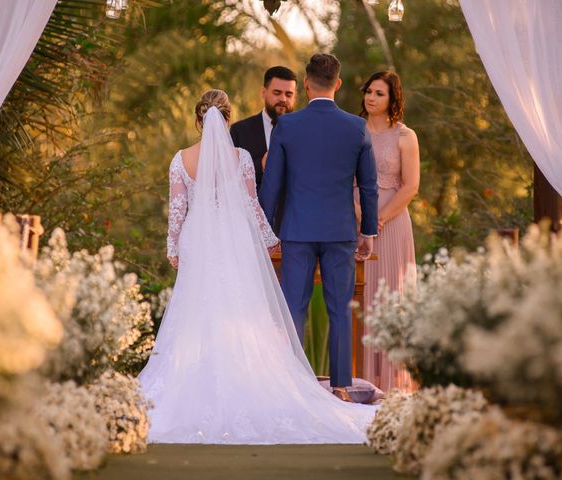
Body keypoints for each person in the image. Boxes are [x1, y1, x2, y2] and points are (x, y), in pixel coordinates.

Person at [138, 89, 376, 445]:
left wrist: (173, 247)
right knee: (240, 312)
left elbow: (177, 211)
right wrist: (269, 239)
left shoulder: (181, 159)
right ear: (228, 119)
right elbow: (251, 206)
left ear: (197, 119)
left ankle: (197, 385)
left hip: (199, 243)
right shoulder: (243, 157)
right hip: (235, 244)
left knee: (197, 315)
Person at [259, 54, 379, 402]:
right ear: (337, 84)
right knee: (339, 308)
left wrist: (266, 232)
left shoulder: (288, 126)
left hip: (296, 231)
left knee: (294, 307)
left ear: (307, 85)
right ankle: (340, 386)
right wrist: (367, 232)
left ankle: (292, 385)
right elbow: (368, 186)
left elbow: (272, 184)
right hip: (341, 232)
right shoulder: (356, 127)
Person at [355, 71, 419, 392]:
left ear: (393, 99)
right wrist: (361, 217)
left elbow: (410, 187)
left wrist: (377, 220)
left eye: (379, 93)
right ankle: (360, 380)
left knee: (391, 298)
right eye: (369, 91)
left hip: (393, 224)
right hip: (353, 221)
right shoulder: (353, 131)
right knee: (361, 300)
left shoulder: (405, 137)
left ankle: (394, 384)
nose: (371, 98)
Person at [230, 66, 297, 190]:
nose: (283, 99)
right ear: (263, 93)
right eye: (277, 93)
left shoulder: (303, 132)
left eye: (288, 94)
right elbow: (230, 176)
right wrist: (261, 165)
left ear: (295, 97)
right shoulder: (239, 130)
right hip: (252, 207)